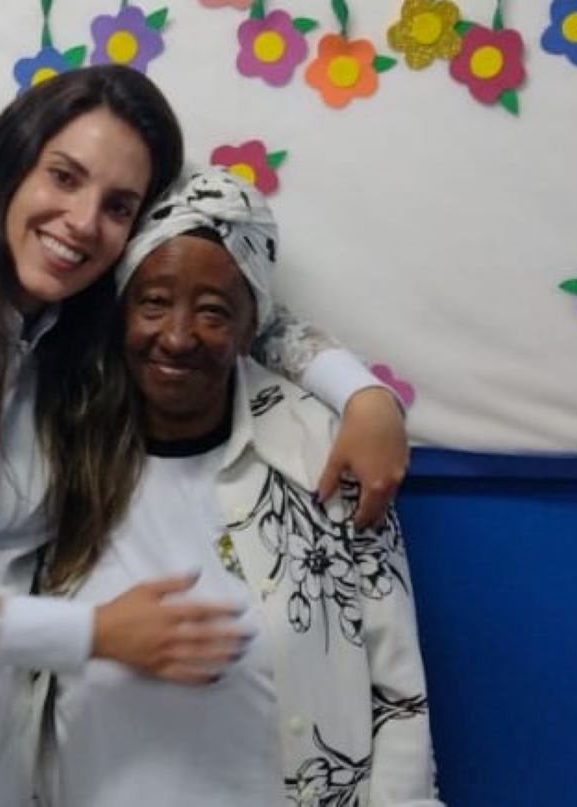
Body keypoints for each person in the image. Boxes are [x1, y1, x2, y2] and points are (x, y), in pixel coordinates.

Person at [0, 66, 407, 806]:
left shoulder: (62, 338)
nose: (84, 222)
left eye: (118, 206)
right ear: (9, 167)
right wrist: (98, 634)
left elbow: (238, 293)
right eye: (64, 177)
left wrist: (362, 394)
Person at [44, 170, 440, 806]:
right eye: (153, 303)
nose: (177, 336)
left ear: (252, 325)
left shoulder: (322, 451)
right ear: (119, 309)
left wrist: (365, 396)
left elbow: (398, 692)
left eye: (213, 312)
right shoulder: (50, 452)